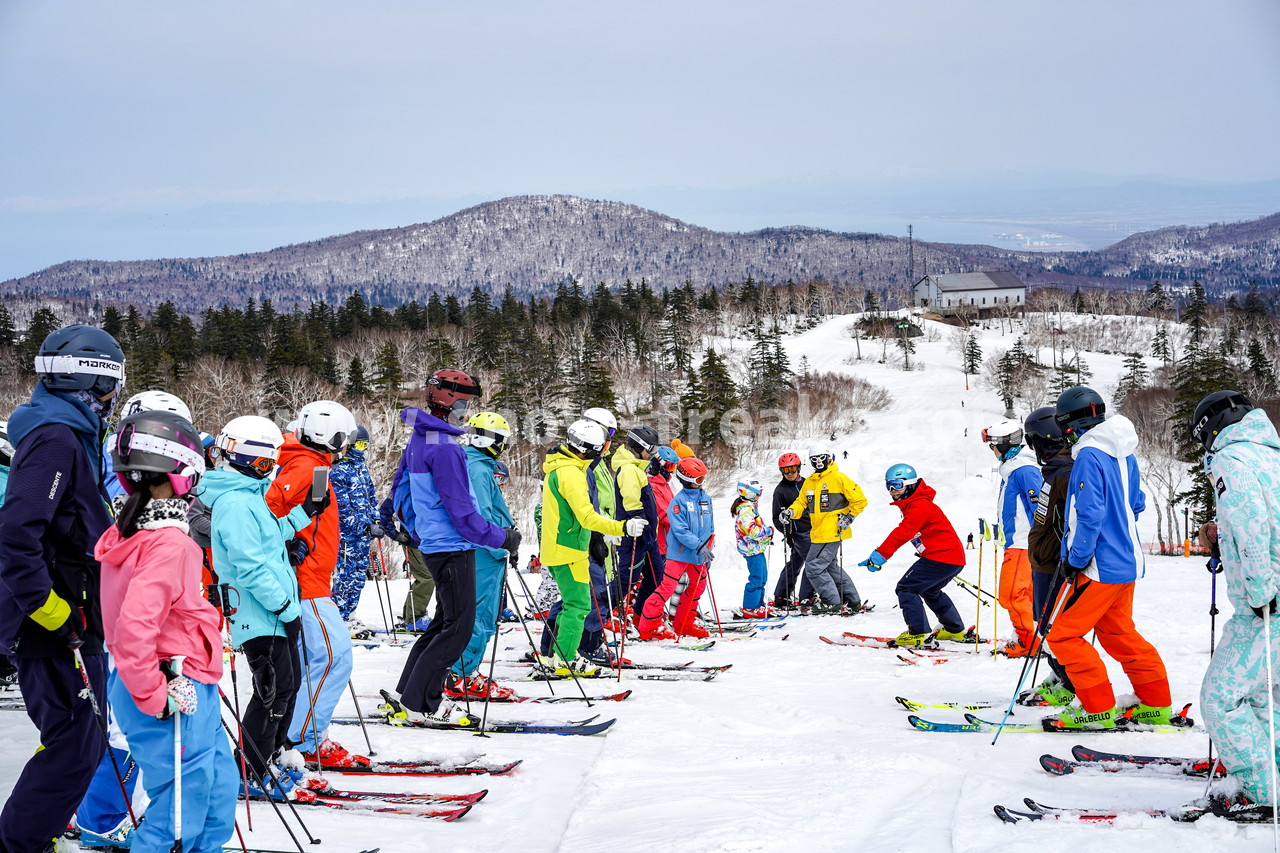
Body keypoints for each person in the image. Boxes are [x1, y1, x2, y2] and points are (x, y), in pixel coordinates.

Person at [0, 324, 124, 853]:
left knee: (82, 741)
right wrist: (47, 608)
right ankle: (19, 842)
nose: (114, 396)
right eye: (112, 384)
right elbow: (16, 531)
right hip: (56, 621)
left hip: (75, 612)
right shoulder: (56, 438)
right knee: (77, 741)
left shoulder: (70, 433)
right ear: (91, 379)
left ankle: (30, 836)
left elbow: (74, 524)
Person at [96, 410, 238, 853]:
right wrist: (155, 693)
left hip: (190, 682)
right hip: (169, 687)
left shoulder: (138, 535)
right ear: (182, 476)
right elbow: (133, 628)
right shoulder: (168, 543)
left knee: (215, 795)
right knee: (179, 813)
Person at [383, 370, 518, 723]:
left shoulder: (421, 438)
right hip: (453, 546)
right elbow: (464, 516)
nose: (468, 410)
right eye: (466, 402)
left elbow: (400, 489)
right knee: (457, 629)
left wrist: (410, 527)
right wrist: (503, 537)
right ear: (451, 402)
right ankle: (422, 704)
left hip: (435, 543)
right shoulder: (446, 451)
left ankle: (407, 693)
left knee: (444, 623)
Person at [198, 415, 319, 799]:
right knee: (272, 691)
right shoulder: (234, 502)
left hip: (275, 611)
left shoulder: (250, 496)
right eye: (269, 463)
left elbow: (272, 535)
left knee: (288, 686)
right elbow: (249, 565)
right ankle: (248, 767)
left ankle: (269, 757)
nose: (272, 470)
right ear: (251, 459)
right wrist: (286, 607)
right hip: (259, 613)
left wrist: (305, 512)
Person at [1046, 386, 1173, 731]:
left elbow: (1089, 514)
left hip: (1100, 566)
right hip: (1127, 561)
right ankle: (1155, 701)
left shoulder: (1089, 455)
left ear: (1071, 424)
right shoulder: (1123, 453)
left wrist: (1077, 556)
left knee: (1062, 636)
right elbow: (1136, 503)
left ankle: (1097, 707)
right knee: (1118, 633)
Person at [1190, 390, 1280, 817]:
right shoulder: (1269, 454)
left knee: (1220, 699)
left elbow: (1250, 521)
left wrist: (1263, 592)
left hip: (1266, 607)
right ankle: (1272, 769)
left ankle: (1262, 791)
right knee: (1263, 698)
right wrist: (1219, 533)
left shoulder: (1232, 459)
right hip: (1274, 603)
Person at [265, 400, 363, 767]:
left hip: (313, 579)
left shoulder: (310, 466)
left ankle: (300, 734)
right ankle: (303, 738)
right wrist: (287, 544)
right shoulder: (306, 468)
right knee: (335, 657)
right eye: (345, 439)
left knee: (315, 660)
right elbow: (269, 514)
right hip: (306, 583)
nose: (346, 447)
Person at [537, 419, 639, 672]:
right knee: (579, 605)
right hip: (568, 548)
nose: (600, 454)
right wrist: (621, 528)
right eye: (597, 450)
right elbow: (586, 515)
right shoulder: (571, 473)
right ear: (586, 449)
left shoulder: (565, 468)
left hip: (567, 546)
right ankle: (565, 659)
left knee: (573, 602)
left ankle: (556, 655)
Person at [858, 464, 969, 646]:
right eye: (889, 486)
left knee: (906, 588)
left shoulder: (919, 506)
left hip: (941, 557)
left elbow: (902, 533)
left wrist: (880, 555)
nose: (893, 491)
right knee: (930, 590)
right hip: (952, 559)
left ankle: (919, 633)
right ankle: (953, 629)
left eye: (897, 485)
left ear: (909, 485)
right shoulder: (915, 504)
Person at [447, 412, 516, 701]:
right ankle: (461, 674)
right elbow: (481, 515)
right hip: (484, 552)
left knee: (485, 614)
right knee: (480, 614)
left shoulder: (480, 465)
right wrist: (501, 543)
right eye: (502, 441)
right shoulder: (476, 468)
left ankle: (466, 670)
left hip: (489, 550)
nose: (504, 447)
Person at [1019, 406, 1077, 706]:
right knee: (1043, 623)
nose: (1032, 448)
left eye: (1033, 441)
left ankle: (1070, 682)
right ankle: (1060, 675)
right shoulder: (1054, 470)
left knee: (1051, 625)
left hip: (1055, 564)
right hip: (1043, 560)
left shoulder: (1065, 474)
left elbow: (1074, 522)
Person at [779, 446, 867, 612]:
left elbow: (860, 500)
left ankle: (832, 602)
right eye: (815, 459)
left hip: (832, 531)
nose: (819, 462)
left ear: (829, 458)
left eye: (822, 458)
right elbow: (801, 502)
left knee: (813, 567)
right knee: (830, 567)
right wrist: (791, 512)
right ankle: (851, 600)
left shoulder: (839, 478)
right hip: (817, 533)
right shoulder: (810, 482)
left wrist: (848, 517)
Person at [982, 419, 1041, 657]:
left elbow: (1039, 508)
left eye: (992, 445)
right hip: (1018, 543)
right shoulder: (1015, 469)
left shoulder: (1024, 470)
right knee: (1025, 595)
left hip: (1022, 545)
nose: (992, 450)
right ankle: (1031, 637)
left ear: (1005, 445)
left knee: (1010, 596)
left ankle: (1029, 642)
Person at [639, 457, 713, 640]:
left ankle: (684, 624)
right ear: (687, 479)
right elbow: (680, 530)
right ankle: (649, 626)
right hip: (679, 554)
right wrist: (699, 546)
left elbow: (710, 527)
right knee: (667, 587)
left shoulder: (706, 499)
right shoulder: (678, 502)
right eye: (699, 480)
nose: (702, 483)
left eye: (703, 479)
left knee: (697, 587)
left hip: (699, 554)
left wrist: (709, 547)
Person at [330, 424, 380, 632]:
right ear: (348, 445)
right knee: (345, 577)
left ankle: (349, 614)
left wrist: (376, 520)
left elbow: (371, 496)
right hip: (347, 537)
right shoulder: (338, 470)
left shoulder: (361, 468)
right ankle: (337, 618)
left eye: (365, 445)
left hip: (363, 536)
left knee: (359, 576)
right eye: (359, 444)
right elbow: (341, 508)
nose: (362, 449)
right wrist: (363, 526)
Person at [612, 425, 663, 620]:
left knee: (656, 576)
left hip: (648, 536)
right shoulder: (627, 470)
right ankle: (604, 614)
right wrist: (640, 523)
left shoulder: (636, 469)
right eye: (651, 450)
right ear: (638, 447)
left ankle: (641, 615)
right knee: (627, 580)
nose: (653, 454)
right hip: (635, 535)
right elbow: (632, 503)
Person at [771, 452, 815, 607]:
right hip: (798, 534)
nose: (789, 474)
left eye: (792, 469)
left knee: (795, 563)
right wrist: (788, 532)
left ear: (799, 468)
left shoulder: (807, 483)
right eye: (785, 471)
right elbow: (776, 517)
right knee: (813, 563)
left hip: (814, 530)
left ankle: (782, 596)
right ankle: (806, 596)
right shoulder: (781, 490)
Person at [733, 479, 773, 617]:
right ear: (749, 494)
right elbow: (752, 531)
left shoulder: (750, 508)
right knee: (756, 578)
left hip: (756, 549)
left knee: (762, 577)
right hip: (751, 550)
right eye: (758, 493)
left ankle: (759, 605)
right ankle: (750, 608)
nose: (759, 496)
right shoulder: (745, 510)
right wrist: (768, 531)